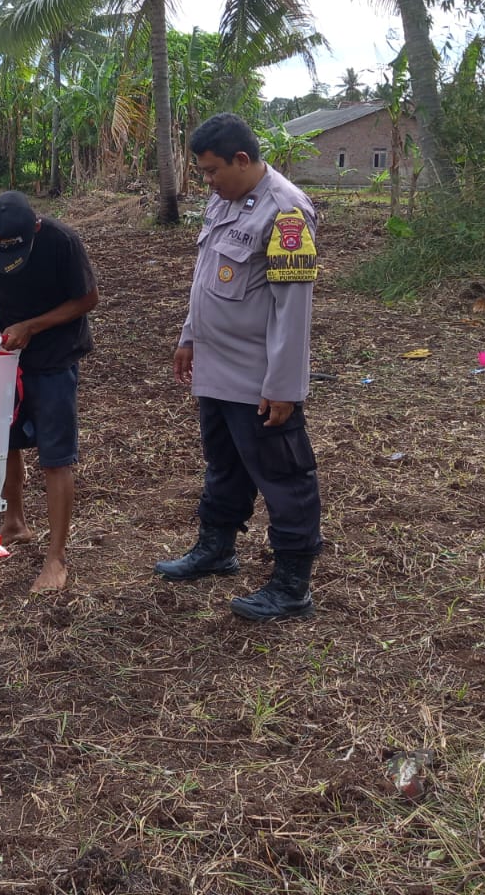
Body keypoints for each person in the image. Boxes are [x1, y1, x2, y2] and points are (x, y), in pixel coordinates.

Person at [154, 113, 323, 620]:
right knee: (223, 463)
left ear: (242, 160)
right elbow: (206, 274)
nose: (207, 180)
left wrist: (284, 387)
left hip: (257, 375)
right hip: (215, 365)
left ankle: (292, 584)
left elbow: (293, 310)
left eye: (212, 170)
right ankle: (216, 548)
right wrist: (189, 336)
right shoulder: (224, 199)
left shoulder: (286, 212)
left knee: (283, 476)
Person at [0, 191, 99, 592]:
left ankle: (56, 559)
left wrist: (32, 327)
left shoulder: (62, 242)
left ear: (34, 229)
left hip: (55, 355)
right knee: (4, 439)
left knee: (56, 457)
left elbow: (88, 299)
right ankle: (15, 521)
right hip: (6, 352)